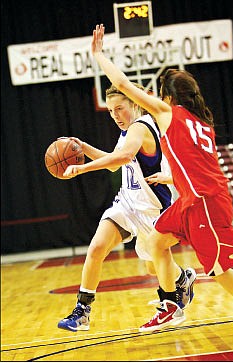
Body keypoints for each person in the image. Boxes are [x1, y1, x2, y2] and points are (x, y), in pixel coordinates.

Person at [87, 24, 233, 332]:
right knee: (156, 241)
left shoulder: (169, 113)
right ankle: (171, 305)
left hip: (205, 203)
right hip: (196, 199)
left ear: (168, 96)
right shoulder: (201, 122)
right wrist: (172, 179)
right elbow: (198, 165)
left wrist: (99, 55)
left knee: (220, 270)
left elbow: (121, 83)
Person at [57, 82, 196, 332]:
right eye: (111, 111)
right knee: (97, 247)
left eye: (119, 108)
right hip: (126, 204)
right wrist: (82, 147)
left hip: (153, 211)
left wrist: (82, 168)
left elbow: (121, 158)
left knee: (154, 266)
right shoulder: (128, 131)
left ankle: (181, 280)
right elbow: (113, 164)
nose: (115, 116)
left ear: (135, 102)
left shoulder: (142, 127)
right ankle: (82, 311)